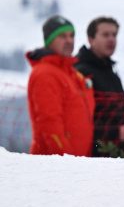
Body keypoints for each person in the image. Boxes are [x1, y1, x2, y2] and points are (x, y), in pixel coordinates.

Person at [25, 15, 94, 156]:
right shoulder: (44, 74)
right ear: (49, 41)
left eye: (72, 35)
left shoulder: (72, 73)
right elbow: (49, 124)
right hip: (56, 166)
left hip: (78, 163)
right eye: (62, 36)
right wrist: (66, 161)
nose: (69, 40)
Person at [74, 16, 124, 156]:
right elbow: (78, 122)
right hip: (94, 149)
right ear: (91, 39)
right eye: (105, 35)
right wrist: (117, 133)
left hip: (115, 150)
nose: (111, 39)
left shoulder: (111, 71)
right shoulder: (81, 73)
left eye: (114, 35)